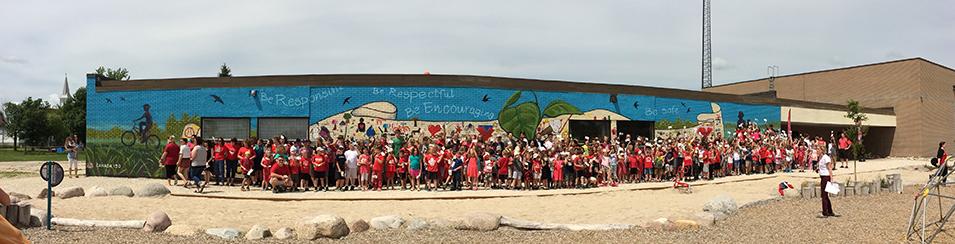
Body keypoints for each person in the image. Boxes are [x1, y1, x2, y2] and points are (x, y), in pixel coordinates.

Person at [817, 147, 838, 218]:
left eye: (818, 150)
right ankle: (829, 211)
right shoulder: (821, 158)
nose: (817, 151)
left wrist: (831, 178)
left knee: (824, 195)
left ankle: (825, 212)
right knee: (825, 195)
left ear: (822, 151)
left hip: (826, 177)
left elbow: (829, 168)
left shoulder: (826, 158)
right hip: (823, 176)